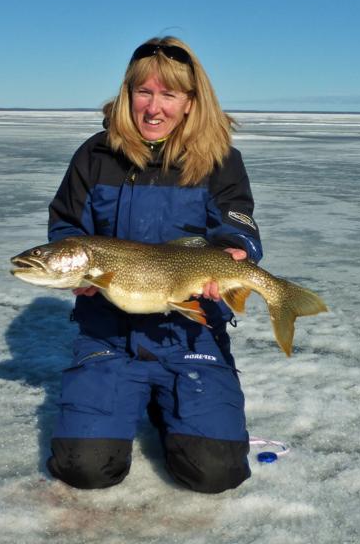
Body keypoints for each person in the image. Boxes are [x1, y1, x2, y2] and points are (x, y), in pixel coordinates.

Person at [46, 36, 263, 493]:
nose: (154, 108)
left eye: (169, 94)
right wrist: (76, 274)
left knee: (215, 471)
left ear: (190, 102)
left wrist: (234, 251)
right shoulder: (95, 155)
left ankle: (167, 408)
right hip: (108, 332)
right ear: (128, 94)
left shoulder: (219, 159)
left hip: (190, 330)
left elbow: (238, 224)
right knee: (84, 468)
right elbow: (67, 226)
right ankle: (132, 396)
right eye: (144, 92)